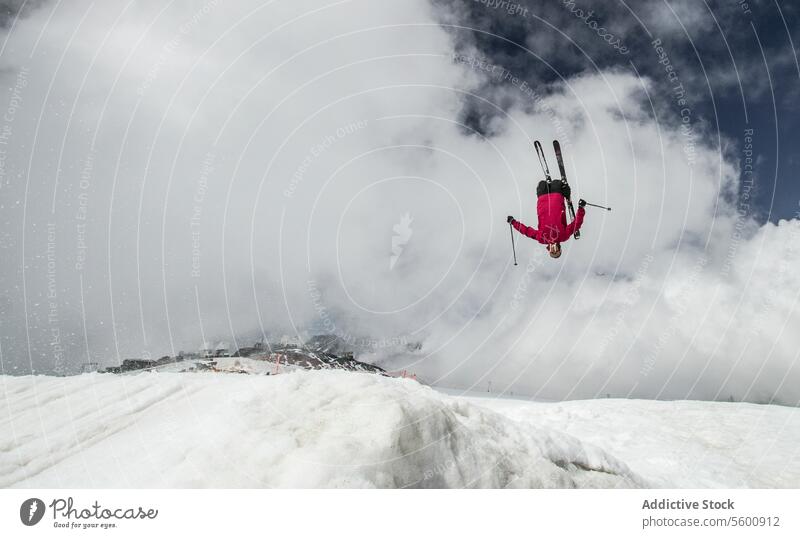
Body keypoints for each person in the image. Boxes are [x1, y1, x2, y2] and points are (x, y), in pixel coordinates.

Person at [507, 180, 586, 259]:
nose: (554, 250)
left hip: (542, 198)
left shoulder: (542, 239)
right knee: (556, 182)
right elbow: (576, 224)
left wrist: (513, 222)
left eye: (552, 252)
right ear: (559, 248)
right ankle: (563, 190)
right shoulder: (563, 236)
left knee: (541, 183)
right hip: (557, 197)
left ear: (549, 250)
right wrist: (581, 208)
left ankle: (551, 183)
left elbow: (526, 231)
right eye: (556, 251)